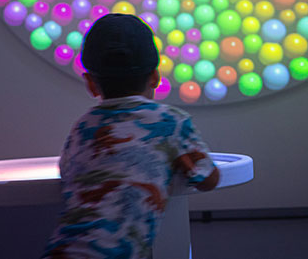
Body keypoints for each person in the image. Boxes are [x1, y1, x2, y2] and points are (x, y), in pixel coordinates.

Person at [42, 13, 220, 259]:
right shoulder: (171, 122)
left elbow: (67, 173)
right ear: (156, 77)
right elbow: (208, 179)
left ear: (91, 84)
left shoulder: (82, 126)